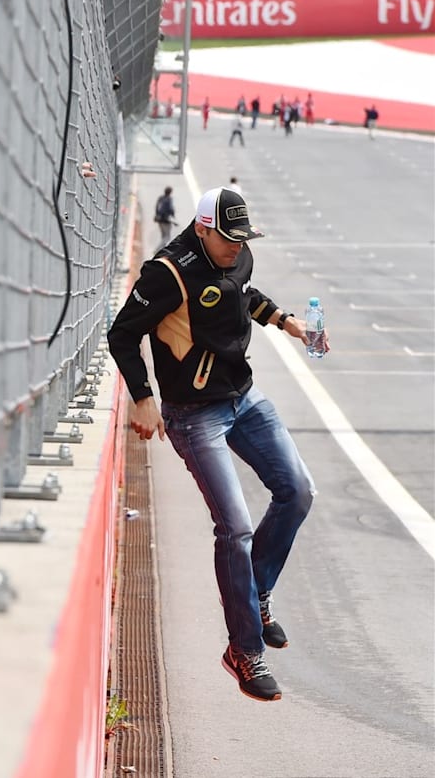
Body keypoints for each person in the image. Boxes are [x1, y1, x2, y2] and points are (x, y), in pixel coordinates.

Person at [108, 187, 321, 703]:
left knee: (298, 490)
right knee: (236, 527)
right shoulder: (167, 273)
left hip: (242, 398)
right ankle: (245, 650)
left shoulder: (236, 253)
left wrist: (286, 321)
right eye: (228, 238)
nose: (237, 247)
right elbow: (121, 334)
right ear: (202, 228)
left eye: (242, 238)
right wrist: (142, 398)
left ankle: (258, 594)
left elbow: (242, 293)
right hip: (192, 415)